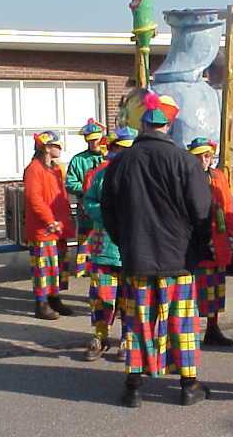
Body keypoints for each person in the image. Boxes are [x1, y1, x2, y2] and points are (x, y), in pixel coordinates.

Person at [101, 91, 212, 408]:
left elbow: (108, 211)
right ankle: (188, 386)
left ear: (143, 125)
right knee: (182, 324)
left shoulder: (120, 163)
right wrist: (196, 250)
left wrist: (125, 242)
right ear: (169, 125)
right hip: (179, 260)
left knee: (138, 323)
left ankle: (133, 388)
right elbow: (202, 213)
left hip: (137, 258)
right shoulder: (186, 162)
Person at [82, 127, 137, 362]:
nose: (123, 154)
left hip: (130, 250)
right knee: (101, 296)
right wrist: (108, 215)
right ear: (112, 149)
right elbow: (89, 202)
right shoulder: (100, 175)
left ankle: (127, 338)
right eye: (120, 149)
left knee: (128, 297)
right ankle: (100, 336)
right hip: (104, 248)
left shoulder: (141, 176)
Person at [187, 137, 233, 346]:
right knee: (194, 290)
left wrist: (231, 232)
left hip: (217, 240)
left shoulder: (218, 177)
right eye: (198, 156)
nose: (203, 160)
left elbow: (228, 205)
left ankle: (212, 328)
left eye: (207, 156)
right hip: (195, 242)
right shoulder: (186, 177)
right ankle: (189, 332)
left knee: (215, 288)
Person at [23, 131, 76, 320]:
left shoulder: (56, 169)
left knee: (58, 266)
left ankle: (54, 298)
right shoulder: (34, 169)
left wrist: (65, 219)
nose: (60, 148)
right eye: (56, 145)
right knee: (43, 268)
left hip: (59, 228)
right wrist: (49, 220)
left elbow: (61, 196)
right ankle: (41, 303)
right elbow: (34, 198)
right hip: (44, 229)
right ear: (46, 148)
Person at [66, 118, 106, 279]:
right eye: (89, 140)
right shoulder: (78, 160)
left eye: (95, 140)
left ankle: (103, 267)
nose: (93, 143)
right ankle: (84, 269)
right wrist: (86, 189)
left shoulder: (109, 157)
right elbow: (70, 183)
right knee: (84, 237)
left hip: (105, 208)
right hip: (86, 208)